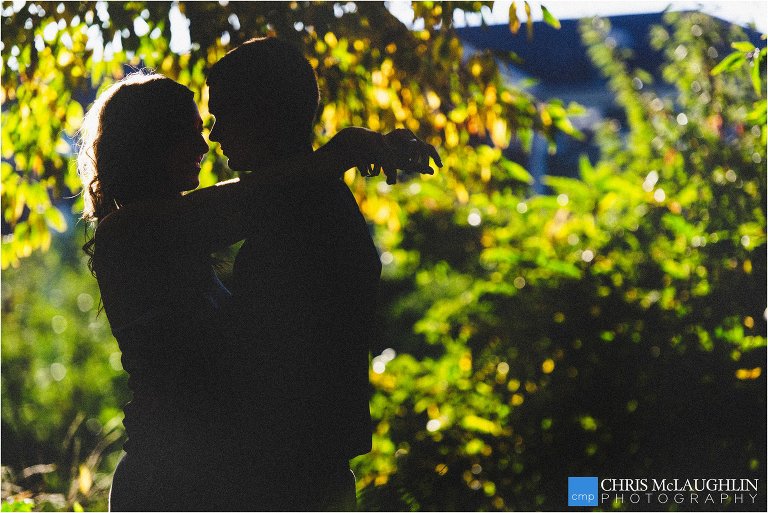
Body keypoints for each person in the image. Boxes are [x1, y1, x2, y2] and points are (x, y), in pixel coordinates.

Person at [77, 70, 438, 511]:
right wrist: (339, 153)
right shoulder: (129, 233)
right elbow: (243, 202)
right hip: (166, 484)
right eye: (187, 134)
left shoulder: (168, 233)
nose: (204, 147)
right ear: (147, 143)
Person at [206, 37, 441, 511]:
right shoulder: (311, 204)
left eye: (223, 117)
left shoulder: (304, 216)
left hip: (289, 476)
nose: (214, 136)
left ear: (262, 116)